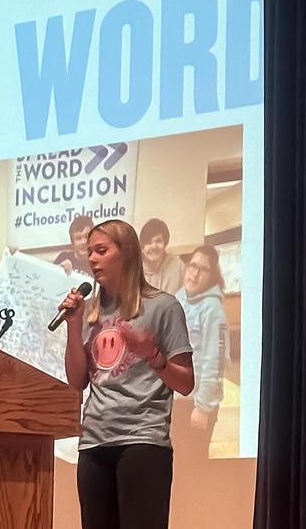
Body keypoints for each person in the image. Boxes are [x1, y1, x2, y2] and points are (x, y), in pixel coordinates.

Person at [59, 219, 195, 529]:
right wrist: (74, 325)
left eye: (101, 250)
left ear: (127, 253)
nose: (92, 258)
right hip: (94, 443)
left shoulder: (163, 307)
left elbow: (186, 383)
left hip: (143, 441)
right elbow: (76, 381)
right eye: (90, 252)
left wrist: (153, 356)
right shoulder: (89, 310)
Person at [173, 245, 230, 462]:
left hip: (196, 403)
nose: (194, 273)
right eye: (192, 266)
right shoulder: (180, 297)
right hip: (177, 399)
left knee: (192, 467)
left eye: (202, 270)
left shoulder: (213, 309)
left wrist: (203, 407)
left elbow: (214, 363)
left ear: (212, 276)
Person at [140, 218, 186, 294]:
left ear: (165, 244)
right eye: (149, 242)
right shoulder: (134, 269)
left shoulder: (178, 267)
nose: (154, 246)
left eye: (158, 241)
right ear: (142, 248)